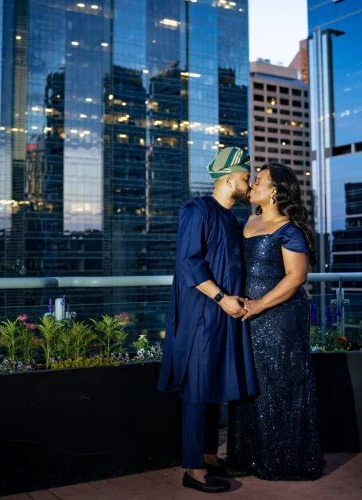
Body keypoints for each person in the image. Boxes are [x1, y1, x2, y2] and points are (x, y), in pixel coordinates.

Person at [158, 147, 257, 493]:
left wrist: (236, 300)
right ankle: (193, 470)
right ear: (229, 178)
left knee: (214, 389)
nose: (250, 183)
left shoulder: (232, 219)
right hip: (203, 315)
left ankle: (210, 458)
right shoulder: (197, 209)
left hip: (226, 313)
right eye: (246, 177)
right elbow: (189, 262)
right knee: (198, 391)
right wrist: (221, 298)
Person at [227, 163, 324, 481]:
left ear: (276, 191)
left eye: (259, 181)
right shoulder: (249, 219)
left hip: (279, 318)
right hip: (247, 316)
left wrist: (257, 306)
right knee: (250, 384)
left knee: (279, 386)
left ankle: (282, 460)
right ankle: (249, 457)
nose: (253, 184)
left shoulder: (288, 228)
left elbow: (296, 278)